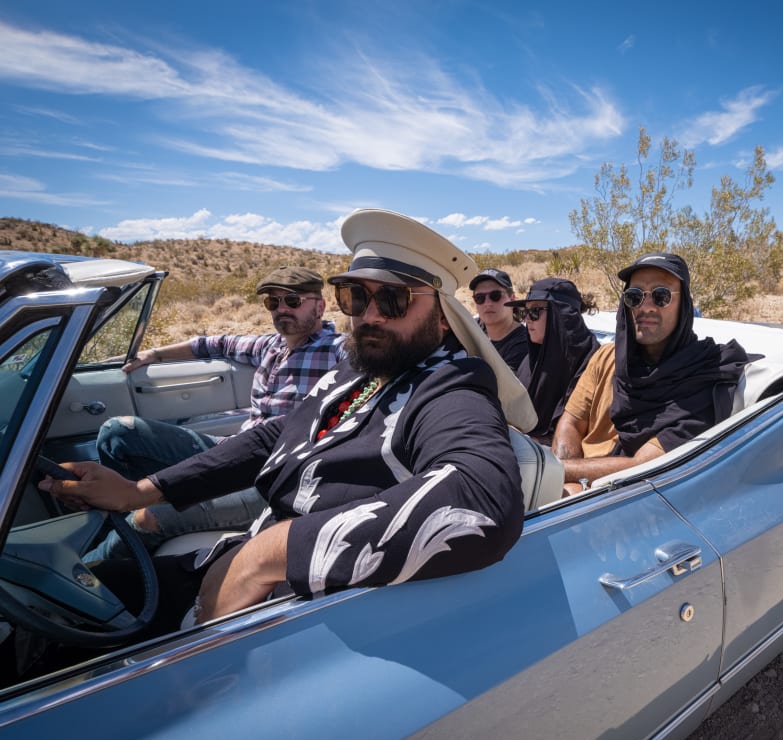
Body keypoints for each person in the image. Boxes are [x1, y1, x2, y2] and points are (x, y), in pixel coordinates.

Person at [42, 208, 536, 634]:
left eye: (393, 299)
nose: (370, 316)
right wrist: (143, 490)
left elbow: (481, 499)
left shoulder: (453, 383)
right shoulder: (363, 369)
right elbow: (283, 433)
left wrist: (263, 556)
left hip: (288, 605)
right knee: (73, 597)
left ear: (444, 317)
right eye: (355, 298)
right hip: (247, 553)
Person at [85, 266, 348, 561]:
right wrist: (155, 355)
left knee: (148, 517)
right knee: (119, 433)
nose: (282, 309)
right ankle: (114, 518)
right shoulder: (269, 346)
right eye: (273, 303)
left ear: (320, 306)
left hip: (272, 479)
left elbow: (368, 368)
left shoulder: (336, 350)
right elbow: (214, 343)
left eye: (293, 301)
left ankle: (88, 573)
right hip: (230, 452)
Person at [552, 253, 751, 493]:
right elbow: (571, 421)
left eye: (661, 296)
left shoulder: (702, 377)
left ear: (684, 305)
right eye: (634, 296)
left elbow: (642, 466)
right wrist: (565, 479)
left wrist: (559, 474)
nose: (645, 307)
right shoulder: (607, 358)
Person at [507, 277, 600, 442]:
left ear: (562, 314)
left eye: (535, 311)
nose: (527, 319)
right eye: (524, 312)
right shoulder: (529, 364)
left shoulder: (593, 364)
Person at [469, 268, 528, 370]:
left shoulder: (523, 344)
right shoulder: (472, 328)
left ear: (512, 298)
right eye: (480, 298)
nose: (487, 303)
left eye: (495, 296)